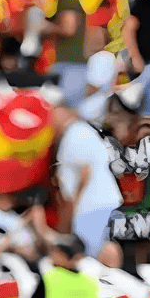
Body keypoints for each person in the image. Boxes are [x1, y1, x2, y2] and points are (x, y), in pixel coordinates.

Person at [52, 105, 123, 257]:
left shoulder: (76, 132)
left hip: (92, 206)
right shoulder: (75, 133)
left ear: (66, 112)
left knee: (90, 258)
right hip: (95, 206)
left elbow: (85, 171)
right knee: (96, 254)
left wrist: (75, 205)